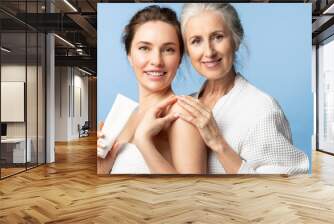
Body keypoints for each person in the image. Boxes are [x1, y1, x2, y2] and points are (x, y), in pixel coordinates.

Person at [176, 3, 309, 175]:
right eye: (196, 41)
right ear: (187, 50)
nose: (209, 52)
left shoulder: (262, 110)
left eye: (217, 37)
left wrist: (219, 143)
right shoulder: (186, 106)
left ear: (236, 40)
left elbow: (279, 192)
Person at [97, 5, 207, 174]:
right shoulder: (126, 116)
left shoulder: (182, 115)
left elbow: (194, 194)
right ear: (130, 56)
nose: (156, 60)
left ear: (179, 59)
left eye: (168, 50)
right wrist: (102, 170)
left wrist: (144, 143)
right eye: (144, 48)